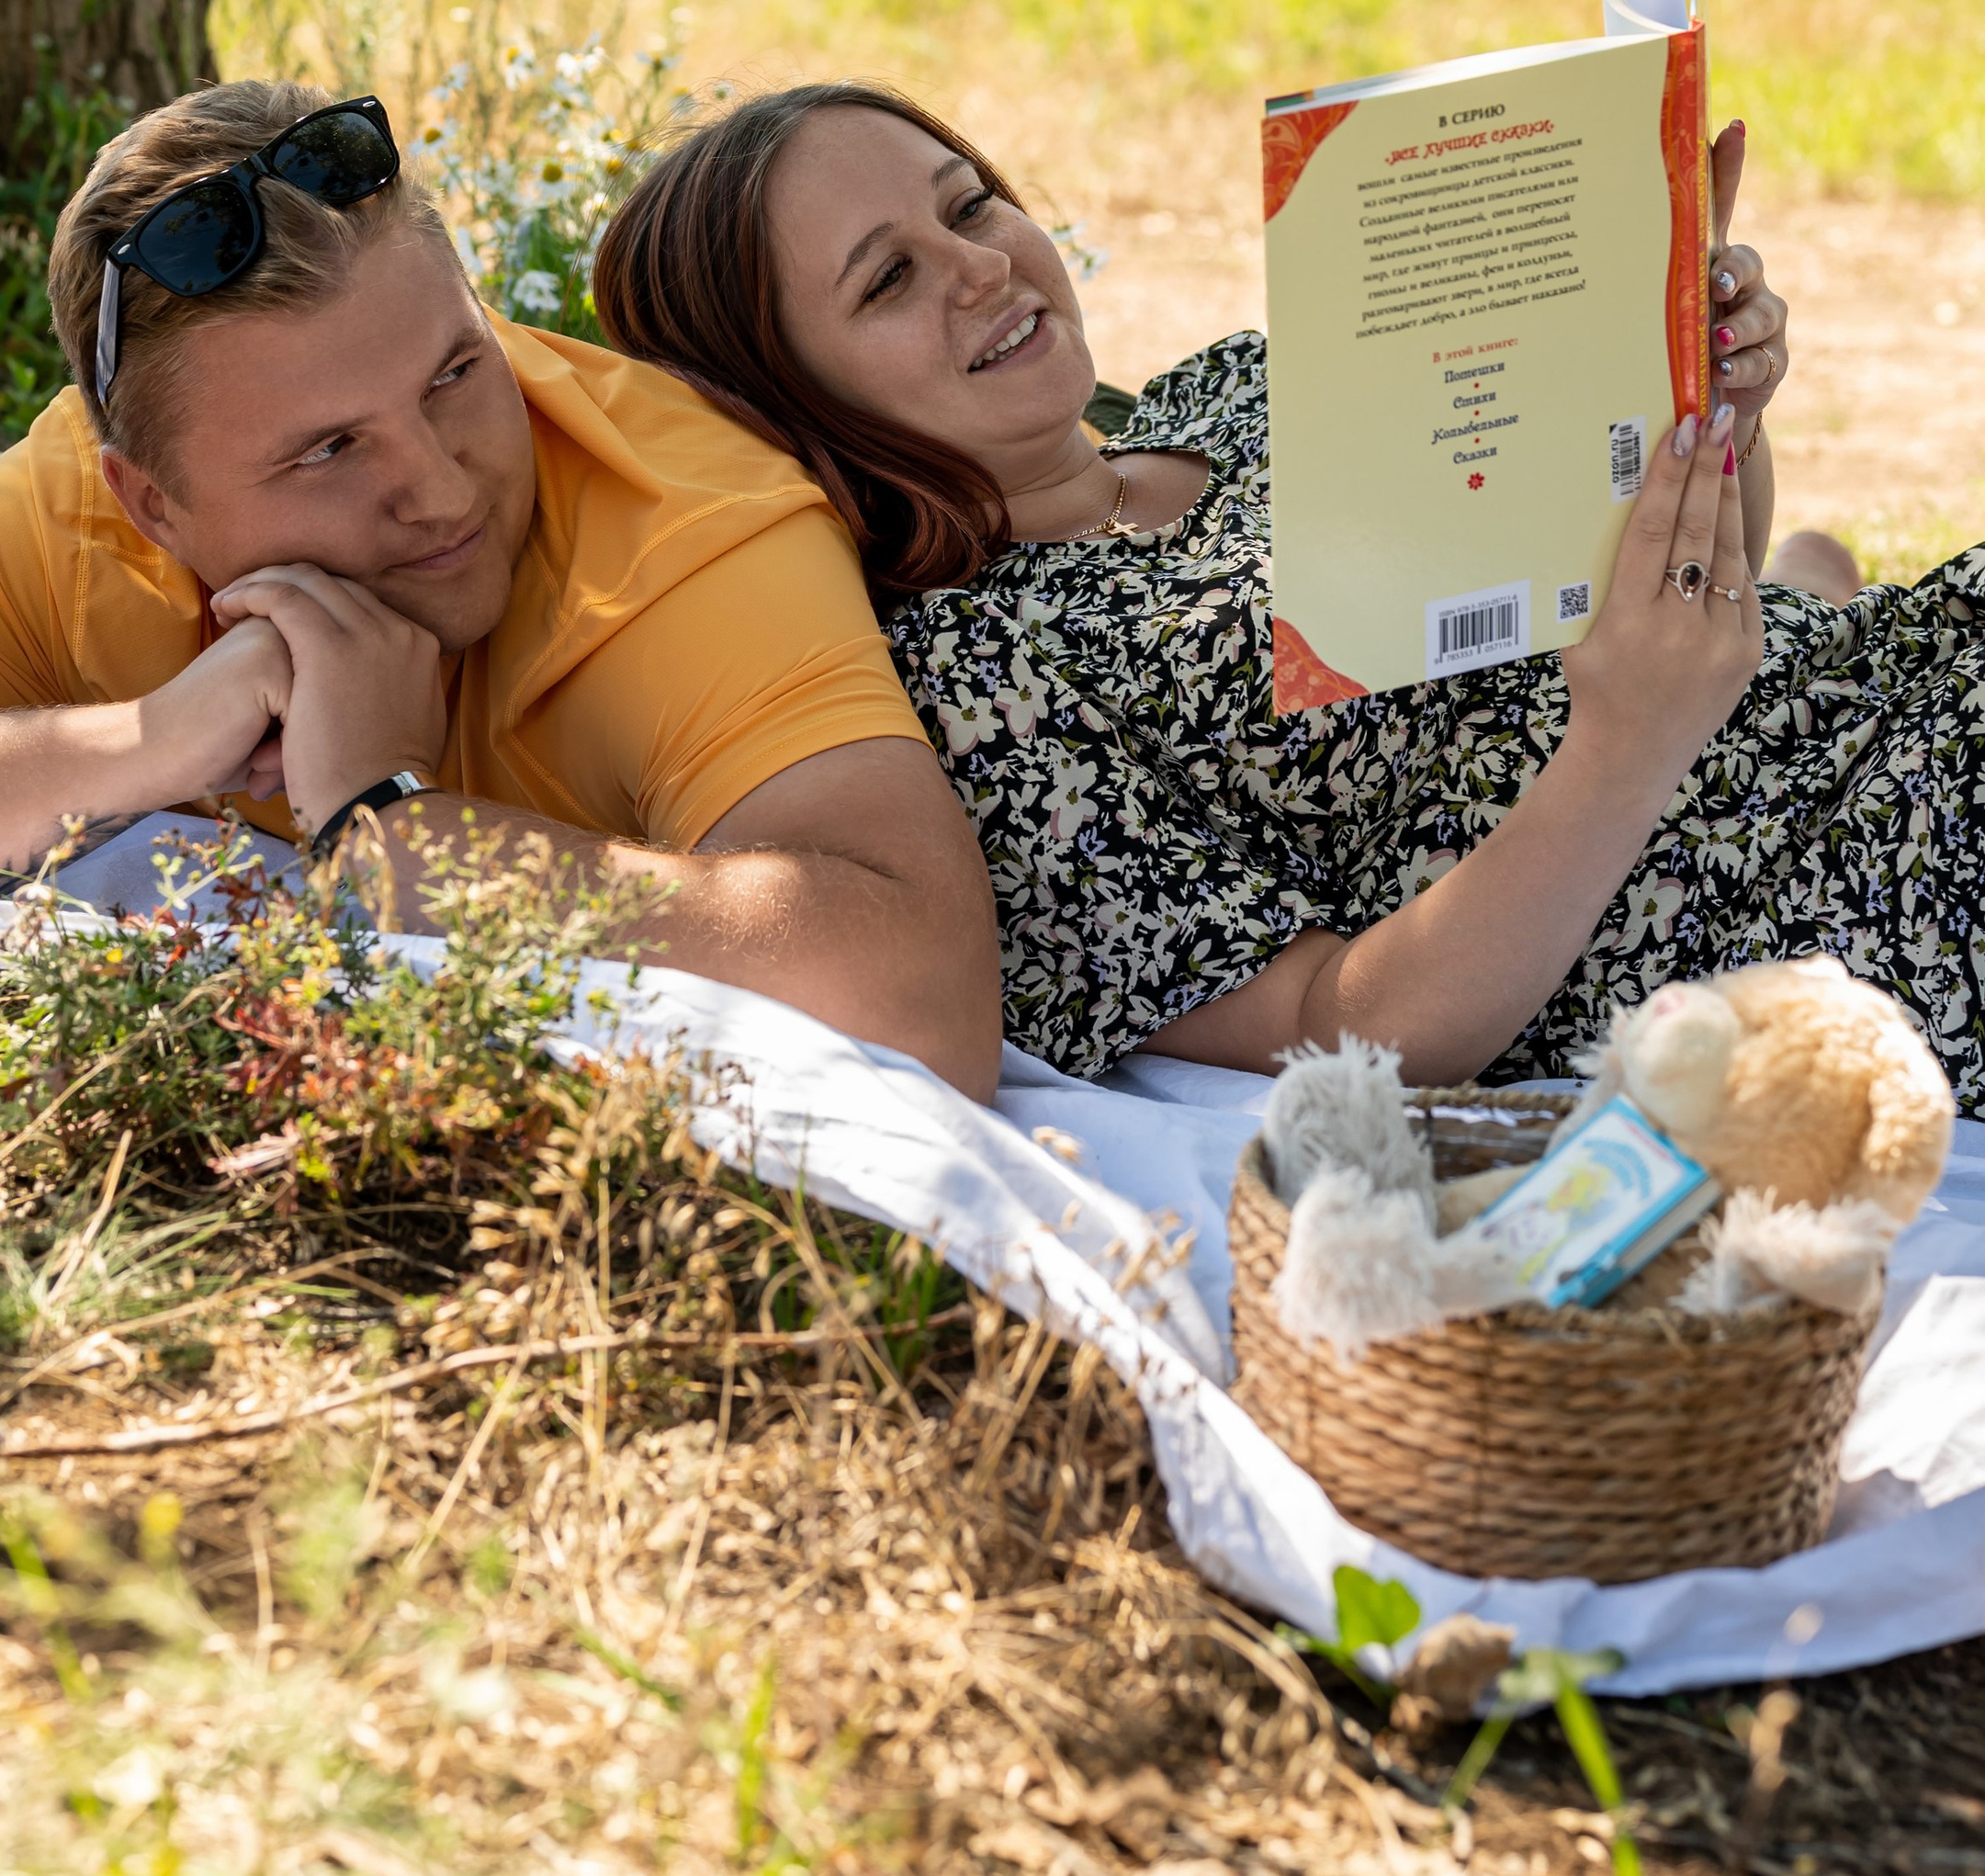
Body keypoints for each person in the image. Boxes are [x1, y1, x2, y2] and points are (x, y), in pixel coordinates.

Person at [592, 83, 1985, 1111]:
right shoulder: (978, 687)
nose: (978, 265)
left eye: (969, 201)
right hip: (1823, 908)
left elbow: (1696, 572)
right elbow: (1342, 1025)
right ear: (796, 399)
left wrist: (1703, 399)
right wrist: (1622, 755)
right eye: (888, 278)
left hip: (1884, 686)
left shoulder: (1247, 381)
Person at [0, 84, 1001, 1099]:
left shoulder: (690, 524)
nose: (441, 486)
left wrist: (390, 832)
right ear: (154, 502)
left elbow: (922, 991)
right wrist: (143, 742)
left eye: (456, 375)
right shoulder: (72, 510)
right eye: (329, 449)